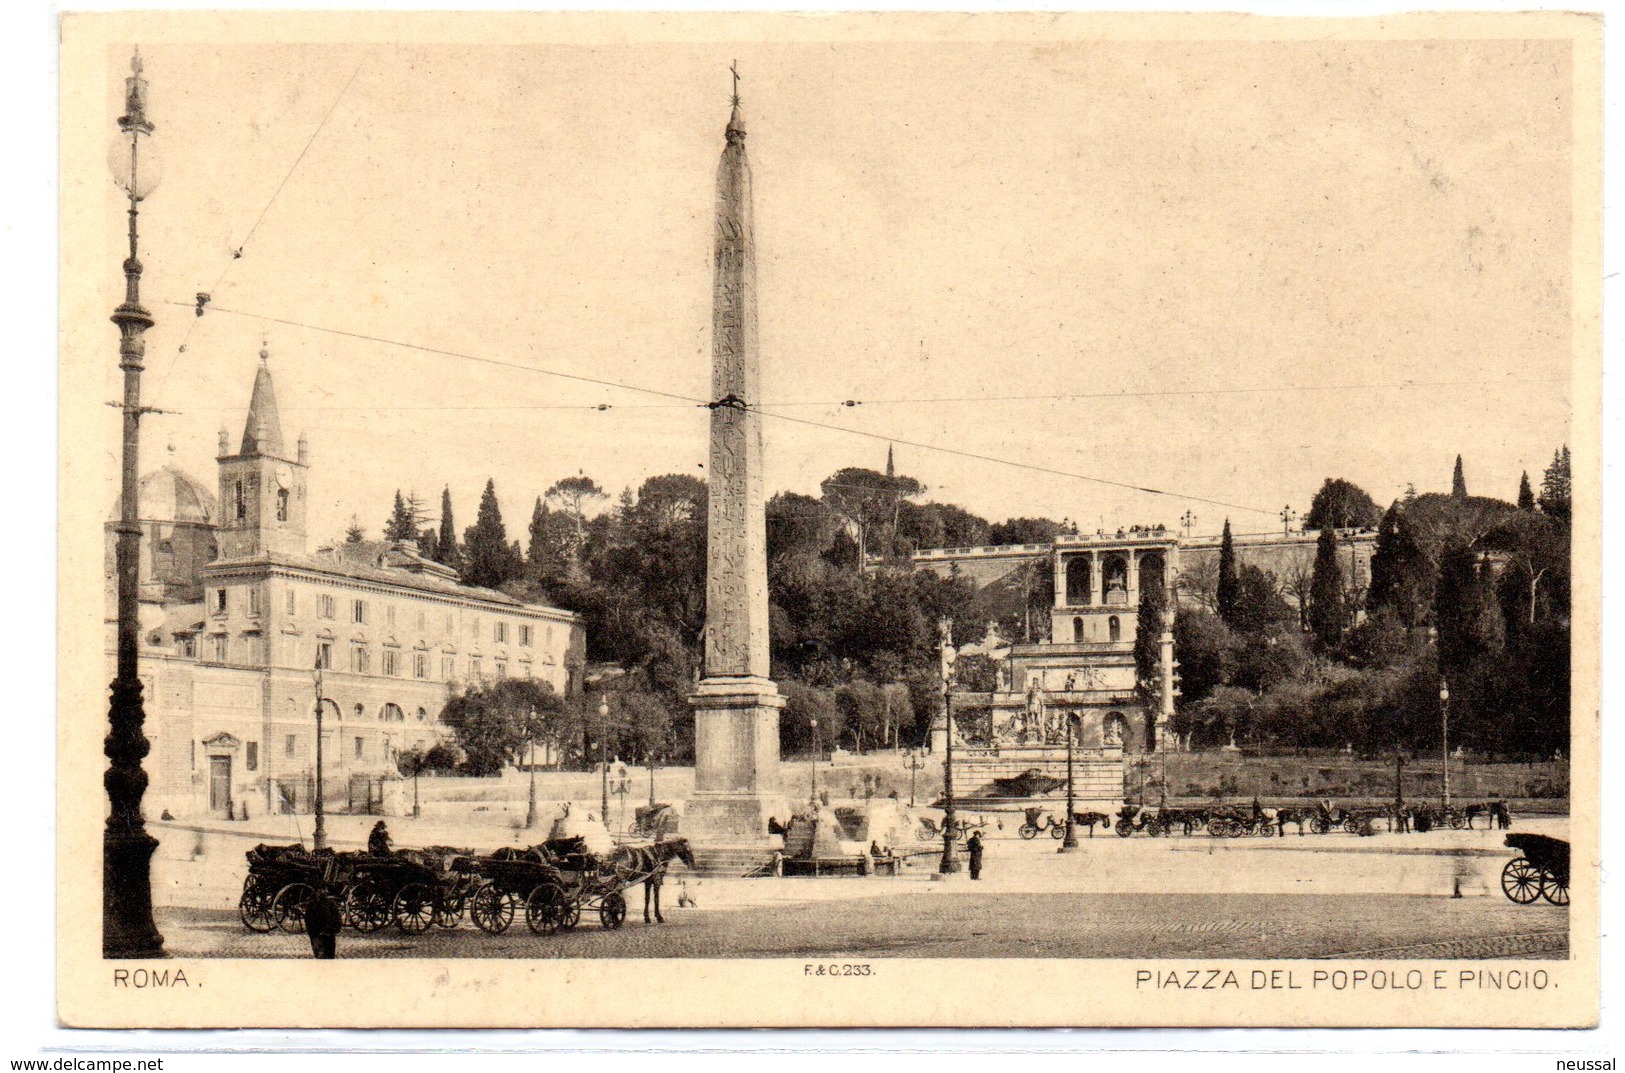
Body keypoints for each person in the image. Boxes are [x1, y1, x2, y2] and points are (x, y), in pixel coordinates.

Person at [305, 872, 343, 960]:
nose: (323, 892)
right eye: (321, 890)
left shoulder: (330, 903)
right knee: (320, 956)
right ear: (316, 891)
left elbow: (337, 918)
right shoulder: (312, 904)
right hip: (317, 936)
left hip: (329, 935)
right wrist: (313, 934)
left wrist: (335, 929)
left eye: (324, 890)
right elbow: (308, 921)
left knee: (329, 956)